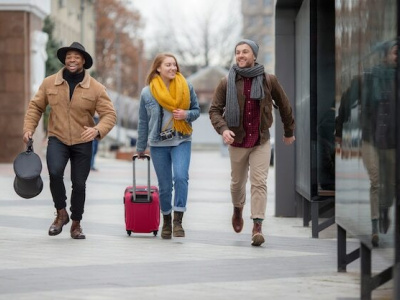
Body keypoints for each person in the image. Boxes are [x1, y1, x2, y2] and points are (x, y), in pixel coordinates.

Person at [23, 42, 116, 239]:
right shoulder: (50, 83)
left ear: (83, 61)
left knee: (79, 184)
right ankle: (61, 213)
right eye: (69, 57)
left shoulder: (96, 88)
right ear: (65, 60)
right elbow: (35, 107)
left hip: (83, 140)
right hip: (58, 137)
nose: (72, 60)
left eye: (76, 57)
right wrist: (29, 128)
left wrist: (97, 130)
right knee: (55, 173)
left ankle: (76, 223)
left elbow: (109, 114)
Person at [209, 39, 295, 246]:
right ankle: (237, 208)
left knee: (259, 182)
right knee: (237, 184)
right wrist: (224, 129)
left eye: (245, 52)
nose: (240, 55)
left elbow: (284, 105)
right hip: (237, 140)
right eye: (237, 52)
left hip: (260, 140)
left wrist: (288, 131)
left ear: (254, 55)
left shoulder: (268, 80)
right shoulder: (226, 82)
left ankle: (257, 225)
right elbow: (214, 110)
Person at [136, 53, 200, 239]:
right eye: (168, 65)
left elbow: (196, 111)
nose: (173, 68)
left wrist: (186, 114)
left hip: (182, 139)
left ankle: (178, 220)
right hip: (158, 143)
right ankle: (166, 221)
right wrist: (141, 147)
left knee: (180, 177)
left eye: (174, 65)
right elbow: (143, 121)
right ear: (158, 68)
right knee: (164, 186)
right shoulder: (147, 92)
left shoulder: (186, 86)